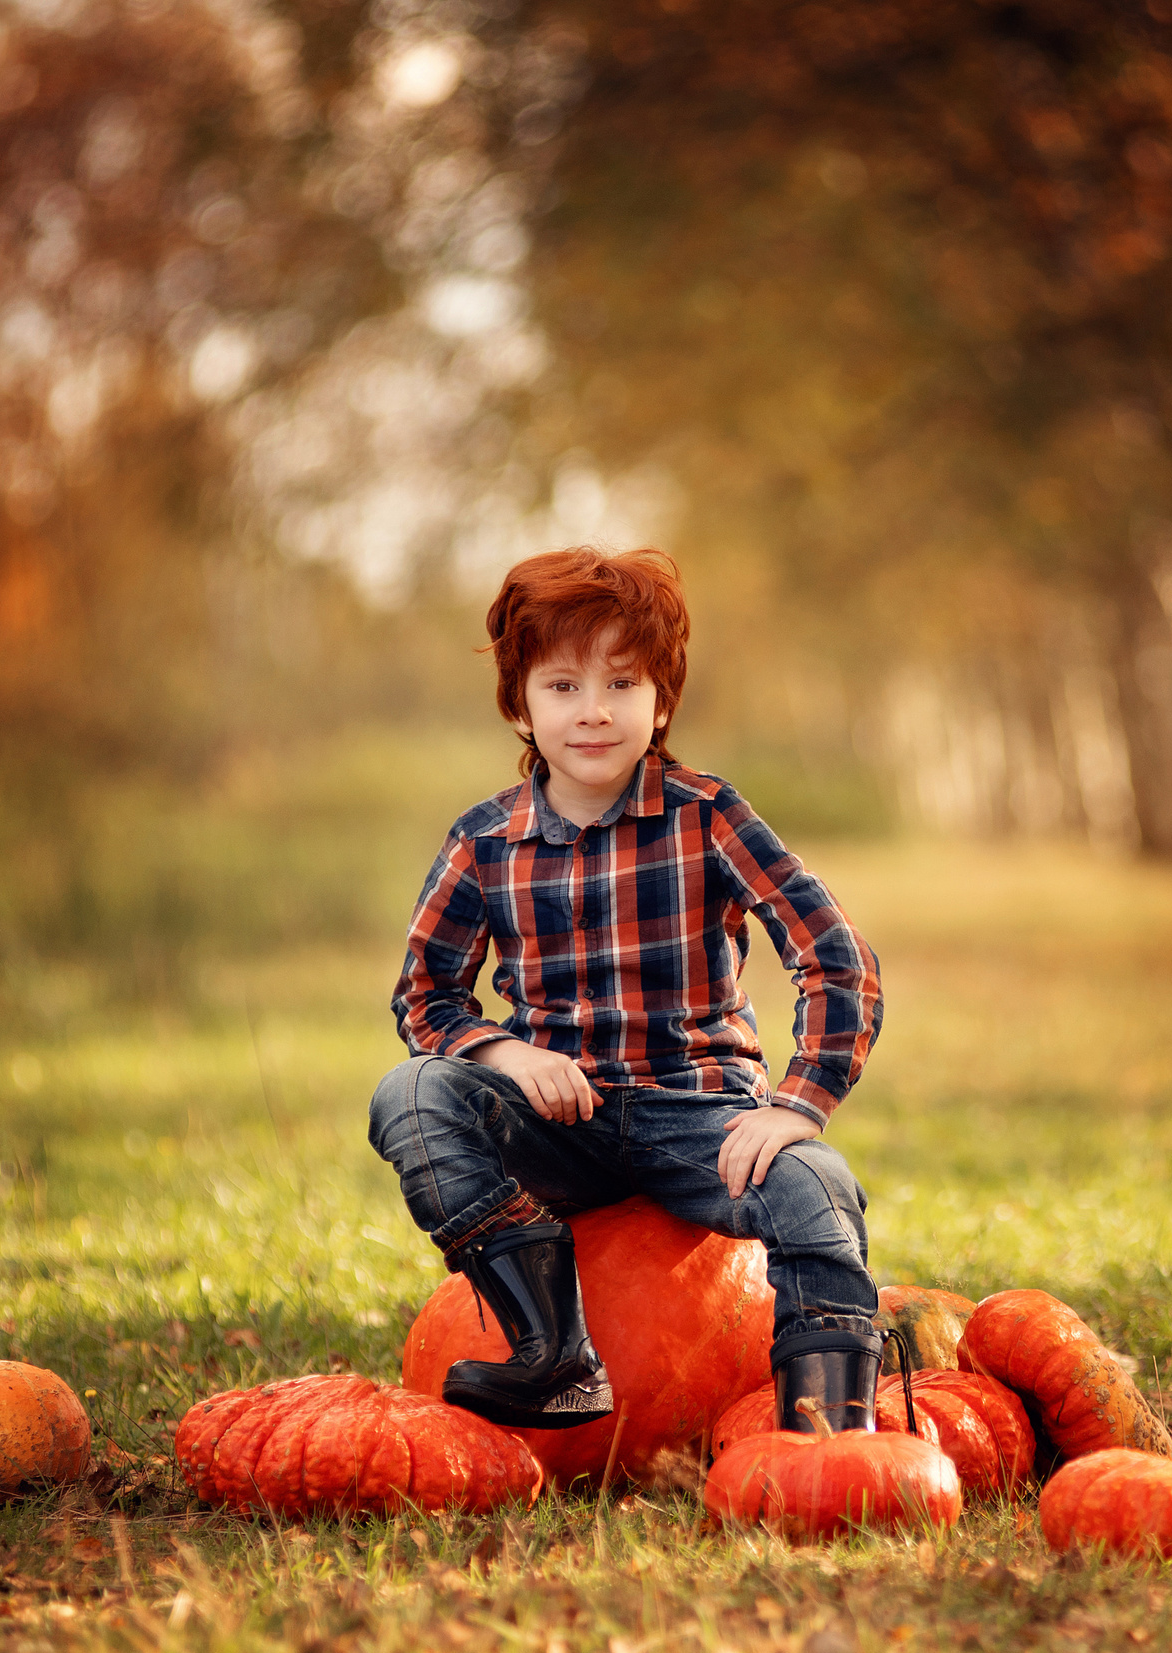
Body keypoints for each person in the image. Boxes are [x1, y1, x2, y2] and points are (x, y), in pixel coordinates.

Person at [367, 545, 887, 1437]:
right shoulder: (485, 840)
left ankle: (830, 1433)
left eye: (622, 683)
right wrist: (506, 1053)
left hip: (699, 1119)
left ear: (662, 699)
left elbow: (834, 955)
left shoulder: (707, 814)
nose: (594, 712)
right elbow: (425, 995)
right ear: (520, 703)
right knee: (409, 1095)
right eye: (563, 687)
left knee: (817, 1187)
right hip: (556, 1124)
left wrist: (796, 1106)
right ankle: (553, 1355)